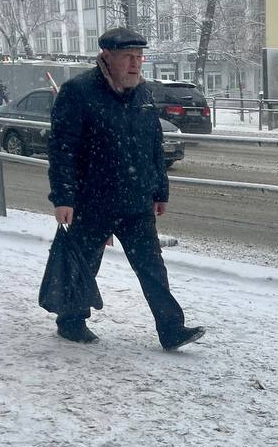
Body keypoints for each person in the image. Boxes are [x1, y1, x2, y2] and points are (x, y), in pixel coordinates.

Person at [45, 26, 204, 349]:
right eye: (128, 57)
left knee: (152, 267)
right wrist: (63, 198)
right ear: (107, 56)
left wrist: (160, 190)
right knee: (85, 262)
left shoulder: (143, 93)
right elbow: (63, 149)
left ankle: (172, 328)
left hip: (136, 200)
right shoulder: (78, 91)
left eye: (139, 57)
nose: (136, 64)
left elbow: (153, 144)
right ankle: (71, 321)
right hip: (93, 200)